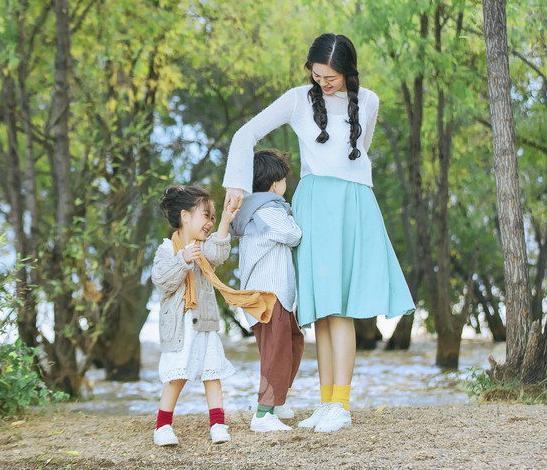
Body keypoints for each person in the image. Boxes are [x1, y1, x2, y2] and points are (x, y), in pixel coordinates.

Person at [222, 33, 414, 433]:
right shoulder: (296, 99)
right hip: (313, 203)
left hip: (353, 205)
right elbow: (246, 134)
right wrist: (237, 185)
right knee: (321, 310)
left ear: (348, 72)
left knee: (340, 307)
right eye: (318, 74)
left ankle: (340, 404)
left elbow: (357, 156)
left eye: (332, 76)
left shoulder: (371, 102)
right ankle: (327, 403)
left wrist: (349, 191)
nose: (324, 82)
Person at [151, 184, 275, 447]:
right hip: (180, 328)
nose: (209, 222)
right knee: (177, 376)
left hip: (205, 324)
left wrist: (227, 221)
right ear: (185, 216)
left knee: (212, 373)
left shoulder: (203, 247)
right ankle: (162, 426)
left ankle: (218, 424)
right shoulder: (166, 250)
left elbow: (218, 254)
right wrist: (182, 259)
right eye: (205, 216)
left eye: (212, 217)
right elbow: (163, 282)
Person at [228, 149, 304, 433]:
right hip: (269, 294)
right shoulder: (268, 210)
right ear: (275, 184)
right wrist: (295, 218)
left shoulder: (254, 209)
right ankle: (263, 412)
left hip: (269, 294)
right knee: (277, 350)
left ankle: (276, 399)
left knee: (291, 342)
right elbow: (292, 234)